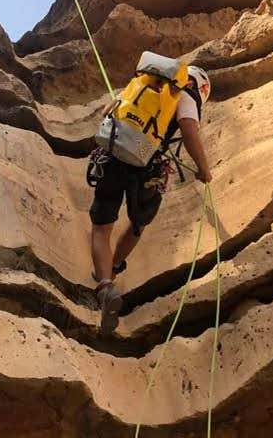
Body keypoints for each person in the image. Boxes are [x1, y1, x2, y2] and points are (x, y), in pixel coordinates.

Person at [89, 65, 213, 333]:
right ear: (201, 88)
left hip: (111, 156)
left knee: (101, 227)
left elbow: (105, 113)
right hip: (147, 165)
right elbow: (189, 131)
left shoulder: (143, 82)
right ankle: (113, 268)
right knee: (137, 224)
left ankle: (105, 285)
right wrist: (204, 169)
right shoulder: (185, 95)